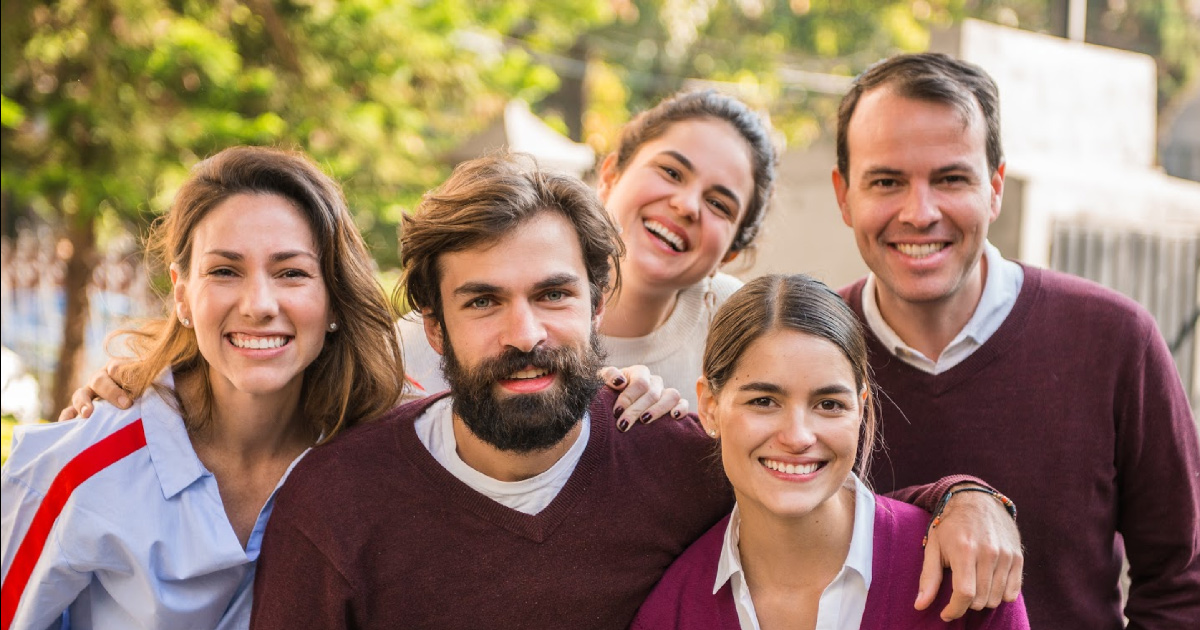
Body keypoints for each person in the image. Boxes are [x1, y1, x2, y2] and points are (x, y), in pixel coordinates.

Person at [249, 154, 1000, 630]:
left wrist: (962, 499)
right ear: (434, 329)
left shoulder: (682, 463)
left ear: (597, 301)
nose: (526, 334)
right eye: (482, 302)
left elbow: (825, 497)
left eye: (552, 295)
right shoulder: (337, 504)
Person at [830, 52, 1200, 628]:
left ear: (995, 188)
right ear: (843, 195)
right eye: (887, 181)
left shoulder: (1114, 340)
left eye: (951, 179)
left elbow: (1185, 581)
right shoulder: (807, 355)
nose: (920, 211)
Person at [0, 146, 404, 630]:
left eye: (291, 273)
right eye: (224, 271)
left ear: (335, 298)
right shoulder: (86, 464)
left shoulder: (381, 458)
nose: (258, 304)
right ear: (182, 294)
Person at [633, 273, 1030, 629]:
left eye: (829, 405)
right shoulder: (673, 610)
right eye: (763, 401)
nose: (798, 436)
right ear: (709, 407)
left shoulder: (963, 575)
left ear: (861, 410)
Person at [396, 90, 777, 413]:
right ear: (610, 176)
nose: (687, 206)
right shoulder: (424, 338)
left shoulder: (749, 327)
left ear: (730, 251)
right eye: (671, 172)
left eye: (719, 205)